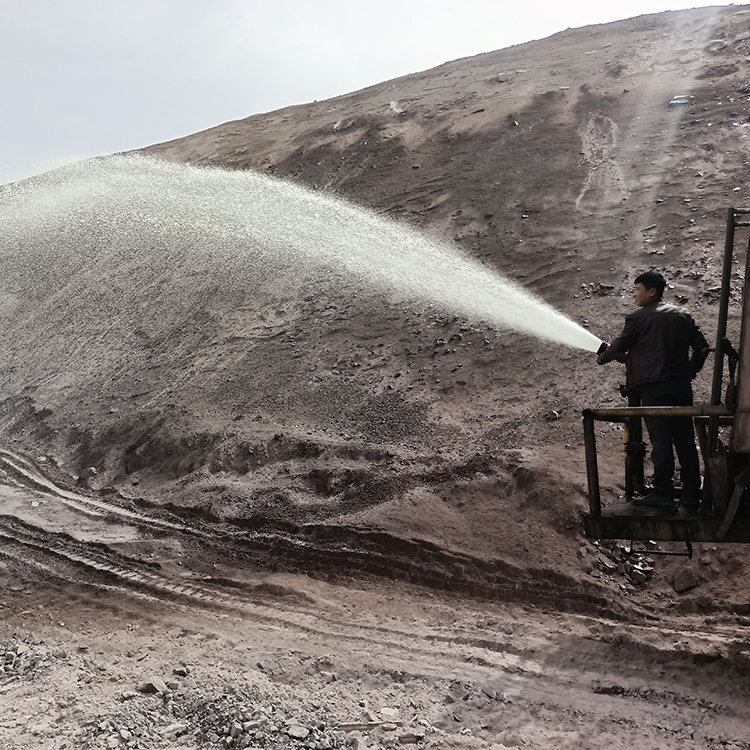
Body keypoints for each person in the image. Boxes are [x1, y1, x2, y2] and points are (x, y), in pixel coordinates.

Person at [596, 271, 710, 508]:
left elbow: (618, 346)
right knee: (685, 439)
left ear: (652, 292)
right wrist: (689, 373)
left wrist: (603, 355)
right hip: (680, 387)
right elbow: (702, 349)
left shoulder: (637, 319)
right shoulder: (683, 315)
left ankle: (662, 492)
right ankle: (690, 491)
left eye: (637, 289)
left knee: (660, 441)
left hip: (652, 390)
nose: (634, 294)